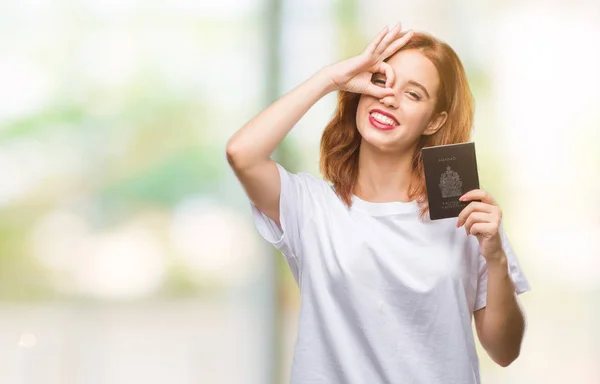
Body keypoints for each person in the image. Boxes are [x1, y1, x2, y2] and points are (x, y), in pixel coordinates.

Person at [226, 23, 530, 384]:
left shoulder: (465, 215)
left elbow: (504, 350)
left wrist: (495, 259)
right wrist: (329, 79)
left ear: (435, 120)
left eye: (413, 94)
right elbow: (241, 153)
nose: (390, 98)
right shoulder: (311, 207)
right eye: (382, 82)